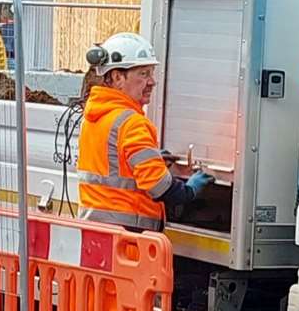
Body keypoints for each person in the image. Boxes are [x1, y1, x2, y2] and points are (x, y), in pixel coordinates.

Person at [76, 32, 211, 231]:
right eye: (143, 74)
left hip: (97, 232)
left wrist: (152, 160)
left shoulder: (94, 117)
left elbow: (116, 166)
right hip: (129, 239)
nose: (152, 82)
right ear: (117, 77)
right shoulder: (132, 123)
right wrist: (189, 191)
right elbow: (160, 187)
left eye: (151, 73)